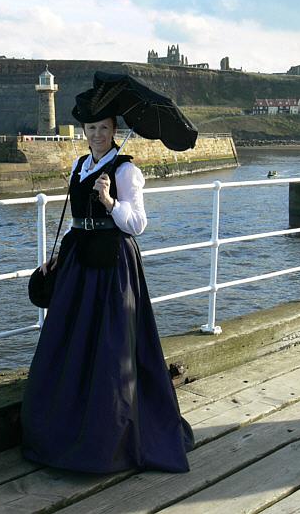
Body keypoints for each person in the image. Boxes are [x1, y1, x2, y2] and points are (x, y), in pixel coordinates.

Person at [21, 93, 194, 474]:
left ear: (115, 131)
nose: (97, 134)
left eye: (104, 128)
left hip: (113, 264)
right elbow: (76, 218)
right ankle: (66, 423)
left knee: (111, 345)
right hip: (78, 259)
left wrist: (111, 201)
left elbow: (138, 225)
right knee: (71, 339)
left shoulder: (126, 171)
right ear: (84, 130)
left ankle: (109, 434)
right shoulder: (81, 164)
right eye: (91, 128)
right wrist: (59, 256)